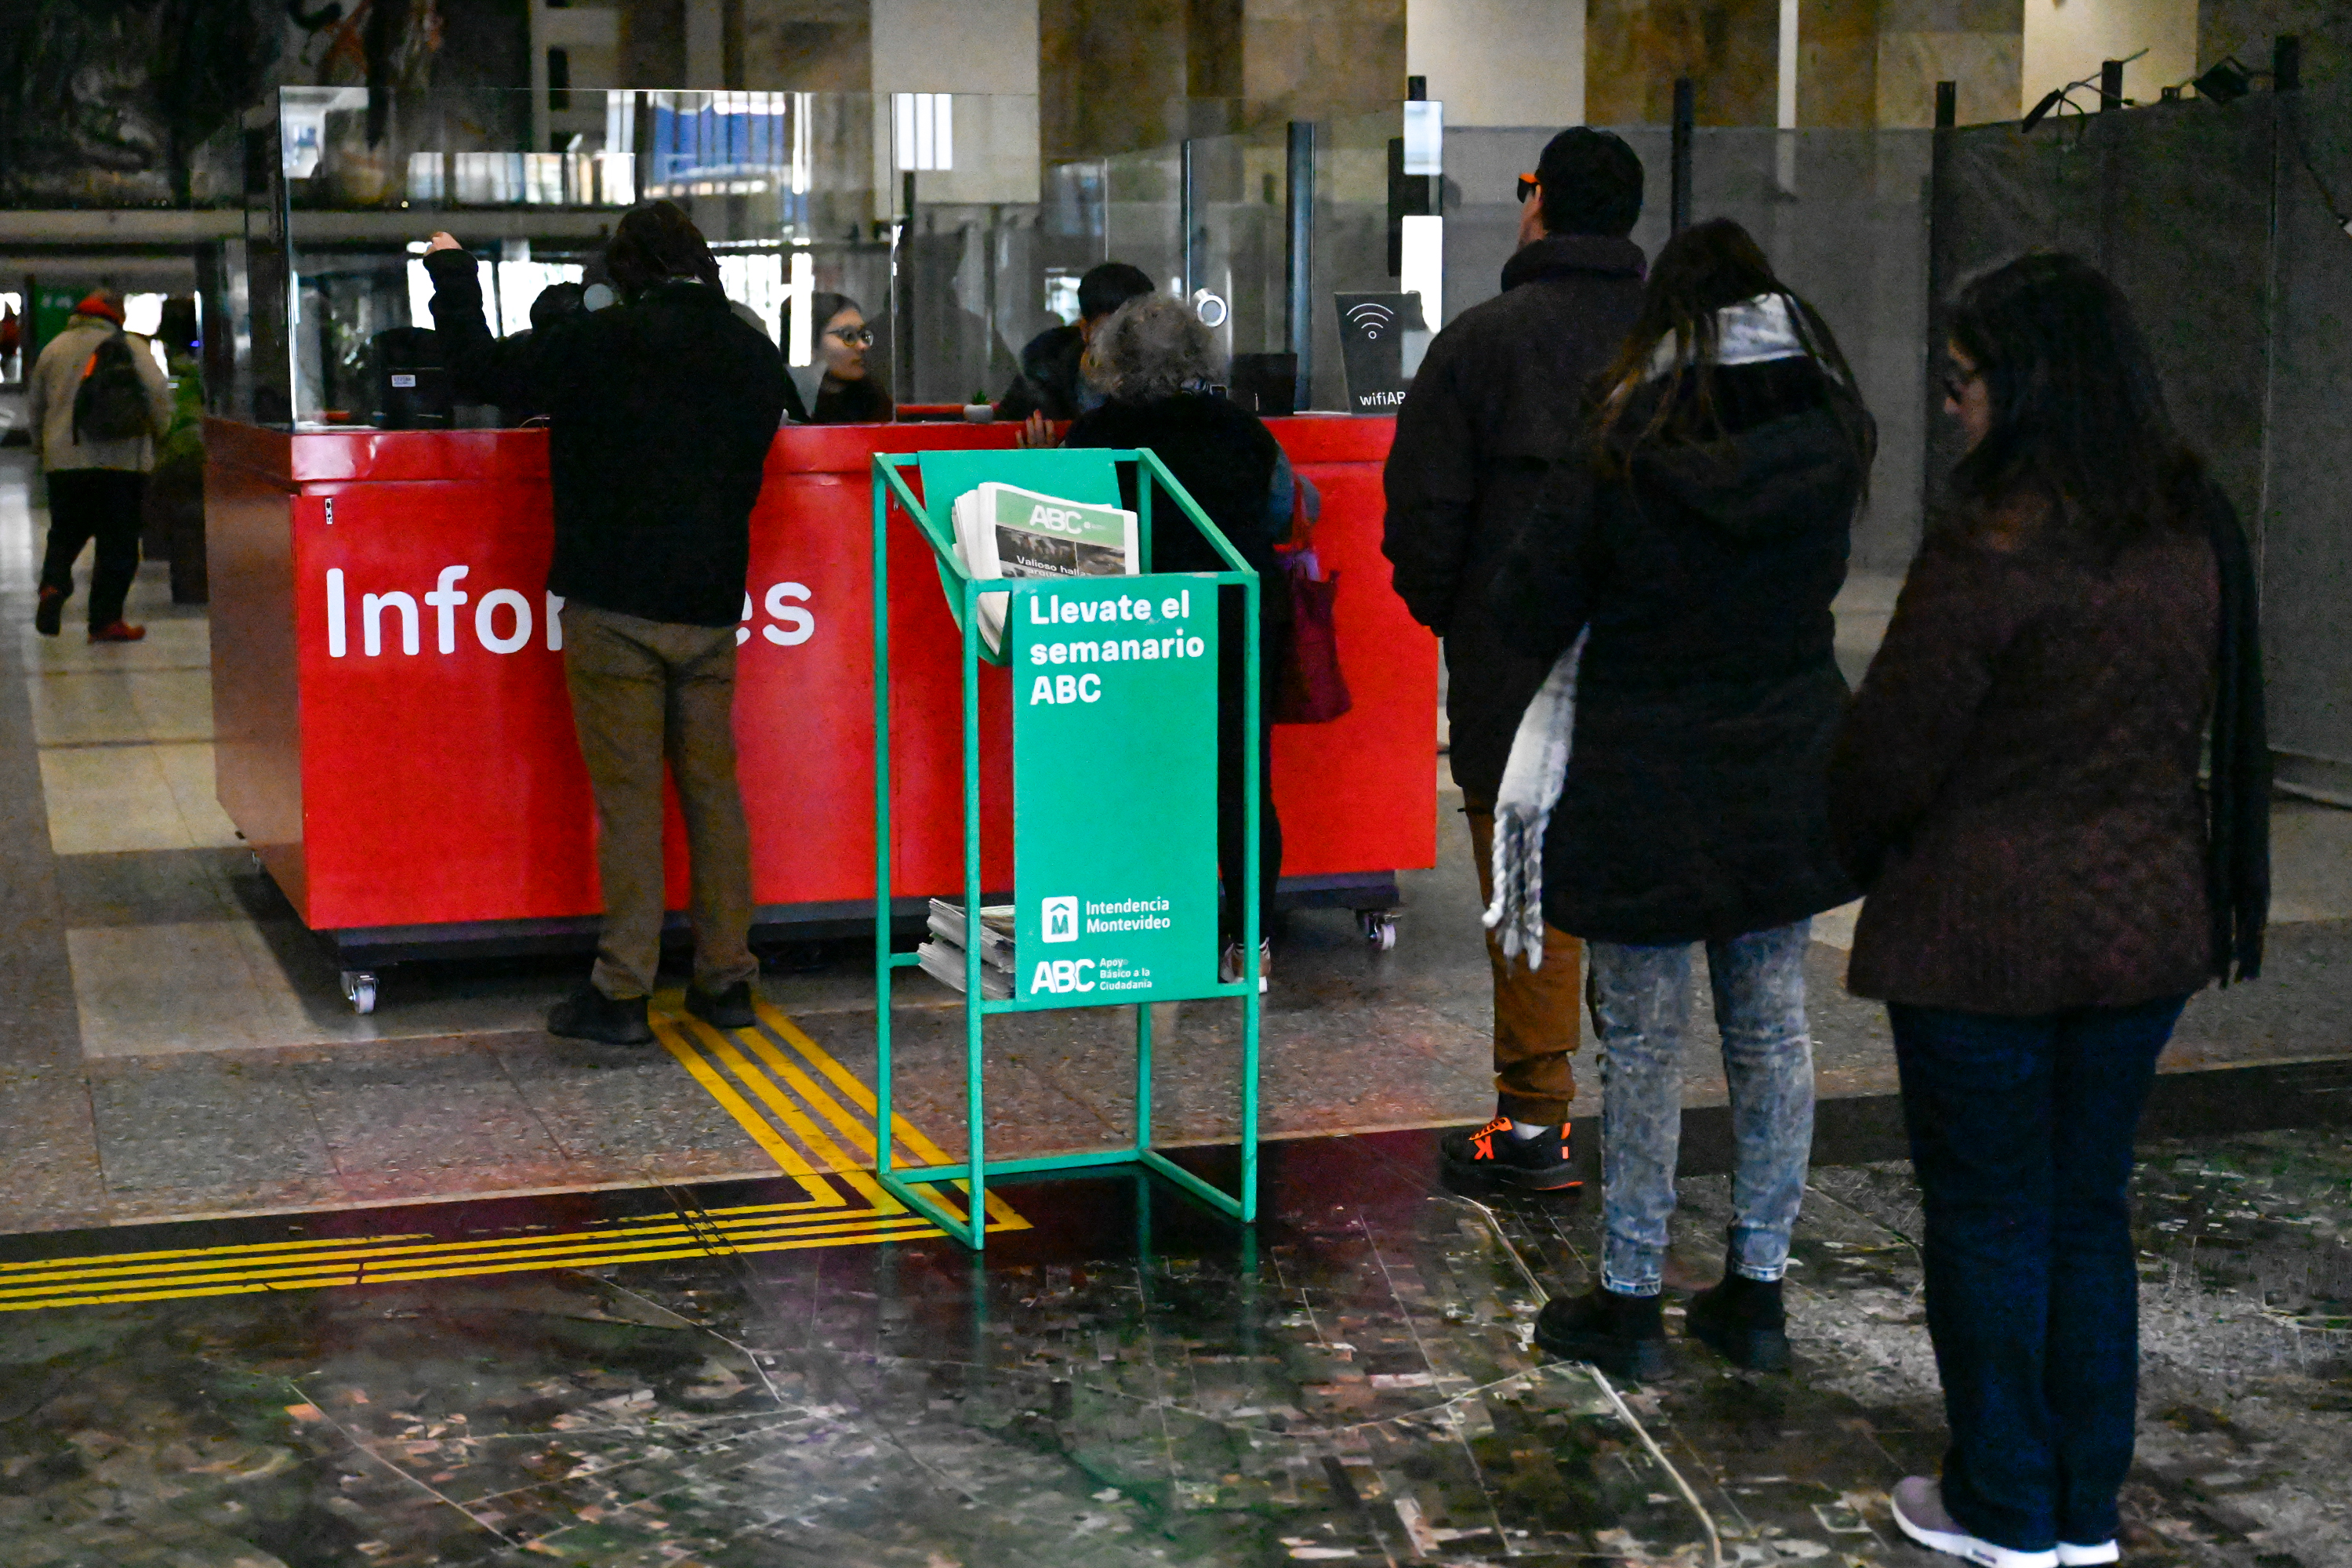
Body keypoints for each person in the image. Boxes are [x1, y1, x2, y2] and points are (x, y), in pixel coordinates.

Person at [1828, 254, 2269, 1568]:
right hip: (2143, 930)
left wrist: (1847, 834)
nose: (1949, 407)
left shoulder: (1993, 546)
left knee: (1988, 1212)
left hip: (1982, 941)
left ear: (2023, 389)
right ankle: (2084, 1502)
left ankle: (2005, 1501)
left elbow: (1895, 748)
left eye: (1961, 383)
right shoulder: (2190, 532)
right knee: (2087, 1209)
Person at [1488, 218, 1873, 1379]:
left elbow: (1526, 602)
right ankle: (1756, 1293)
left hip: (1644, 773)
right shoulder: (1830, 434)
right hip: (1784, 769)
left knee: (1644, 1048)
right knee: (1772, 1030)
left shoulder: (1625, 435)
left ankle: (1630, 1300)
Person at [424, 200, 792, 1045]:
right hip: (709, 607)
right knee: (714, 794)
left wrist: (453, 274)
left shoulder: (600, 341)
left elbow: (481, 369)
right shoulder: (750, 349)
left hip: (616, 606)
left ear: (622, 270)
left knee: (629, 803)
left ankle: (623, 991)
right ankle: (727, 978)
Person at [1381, 126, 1649, 1191]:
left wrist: (1464, 620)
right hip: (1654, 670)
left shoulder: (1482, 343)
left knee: (1531, 894)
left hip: (1514, 669)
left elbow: (1421, 516)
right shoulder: (1675, 345)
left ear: (1539, 203)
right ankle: (1645, 1106)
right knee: (1635, 893)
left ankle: (1535, 1125)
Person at [1063, 294, 1286, 988]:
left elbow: (1072, 534)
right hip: (1237, 620)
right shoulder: (1243, 431)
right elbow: (1282, 511)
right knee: (1241, 783)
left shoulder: (1093, 437)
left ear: (1114, 361)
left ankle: (1141, 935)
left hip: (1133, 629)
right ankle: (1249, 944)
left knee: (1135, 779)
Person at [26, 289, 172, 642]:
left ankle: (52, 585)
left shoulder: (53, 349)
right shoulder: (131, 348)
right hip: (122, 462)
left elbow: (36, 407)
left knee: (65, 531)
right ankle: (105, 621)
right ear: (115, 314)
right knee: (117, 543)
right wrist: (162, 433)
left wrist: (41, 448)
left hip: (64, 462)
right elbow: (158, 393)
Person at [999, 261, 1156, 426]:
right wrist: (1037, 452)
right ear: (1085, 330)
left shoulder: (1157, 381)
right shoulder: (1043, 372)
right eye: (1109, 331)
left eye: (1132, 331)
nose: (1121, 343)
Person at [805, 293, 893, 424]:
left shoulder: (875, 399)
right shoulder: (794, 394)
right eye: (848, 335)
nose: (862, 346)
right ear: (813, 344)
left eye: (864, 335)